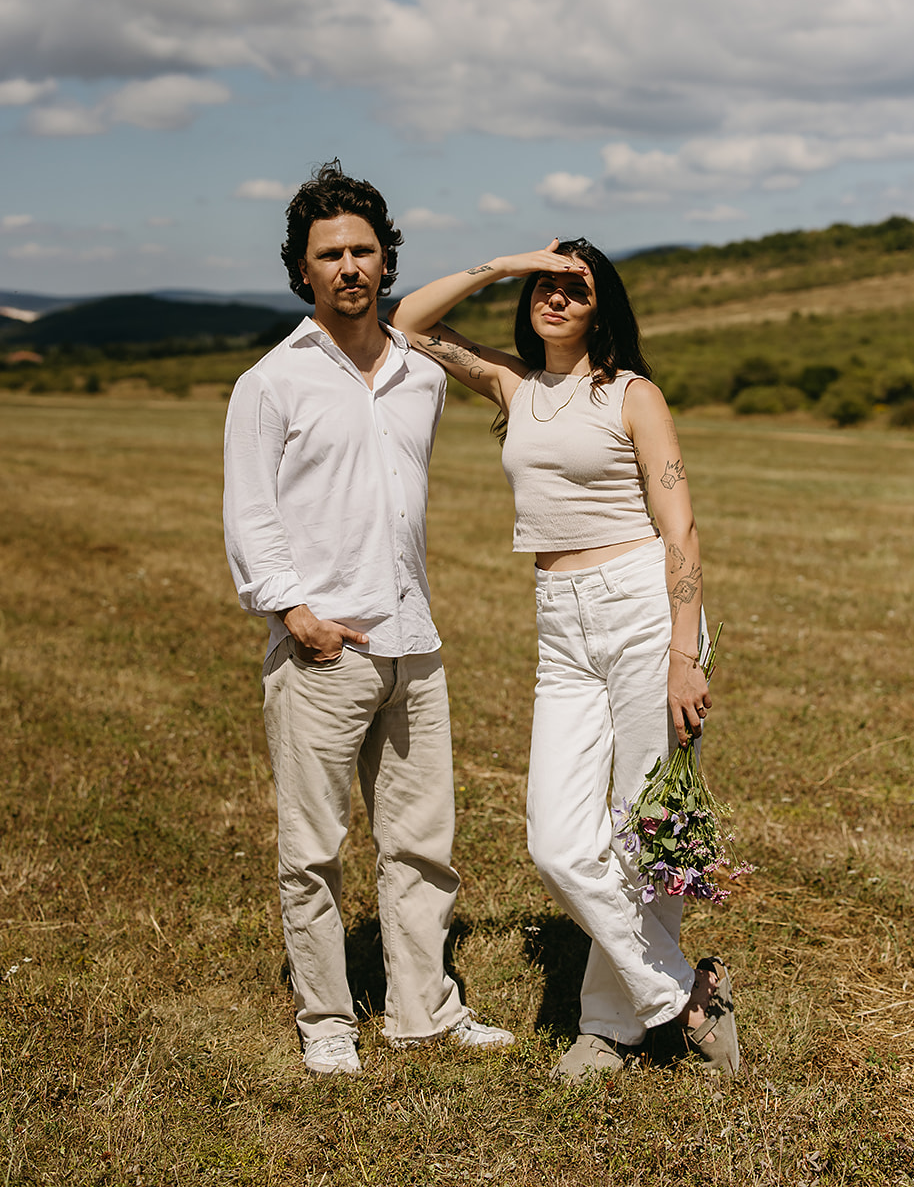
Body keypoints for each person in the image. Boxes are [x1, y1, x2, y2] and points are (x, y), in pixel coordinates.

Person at [390, 238, 738, 1083]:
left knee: (638, 828)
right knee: (554, 839)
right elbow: (408, 323)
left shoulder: (630, 394)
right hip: (559, 621)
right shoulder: (513, 384)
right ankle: (686, 993)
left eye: (574, 289)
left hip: (638, 606)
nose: (554, 297)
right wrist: (503, 265)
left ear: (600, 307)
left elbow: (679, 525)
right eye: (544, 285)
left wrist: (684, 652)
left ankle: (605, 1028)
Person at [222, 161, 513, 1077]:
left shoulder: (418, 367)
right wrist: (294, 614)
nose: (348, 266)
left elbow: (519, 388)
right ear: (302, 270)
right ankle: (327, 1020)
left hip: (413, 643)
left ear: (386, 262)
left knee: (422, 844)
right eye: (329, 254)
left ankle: (423, 1011)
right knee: (312, 852)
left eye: (362, 250)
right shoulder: (271, 381)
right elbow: (249, 513)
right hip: (322, 649)